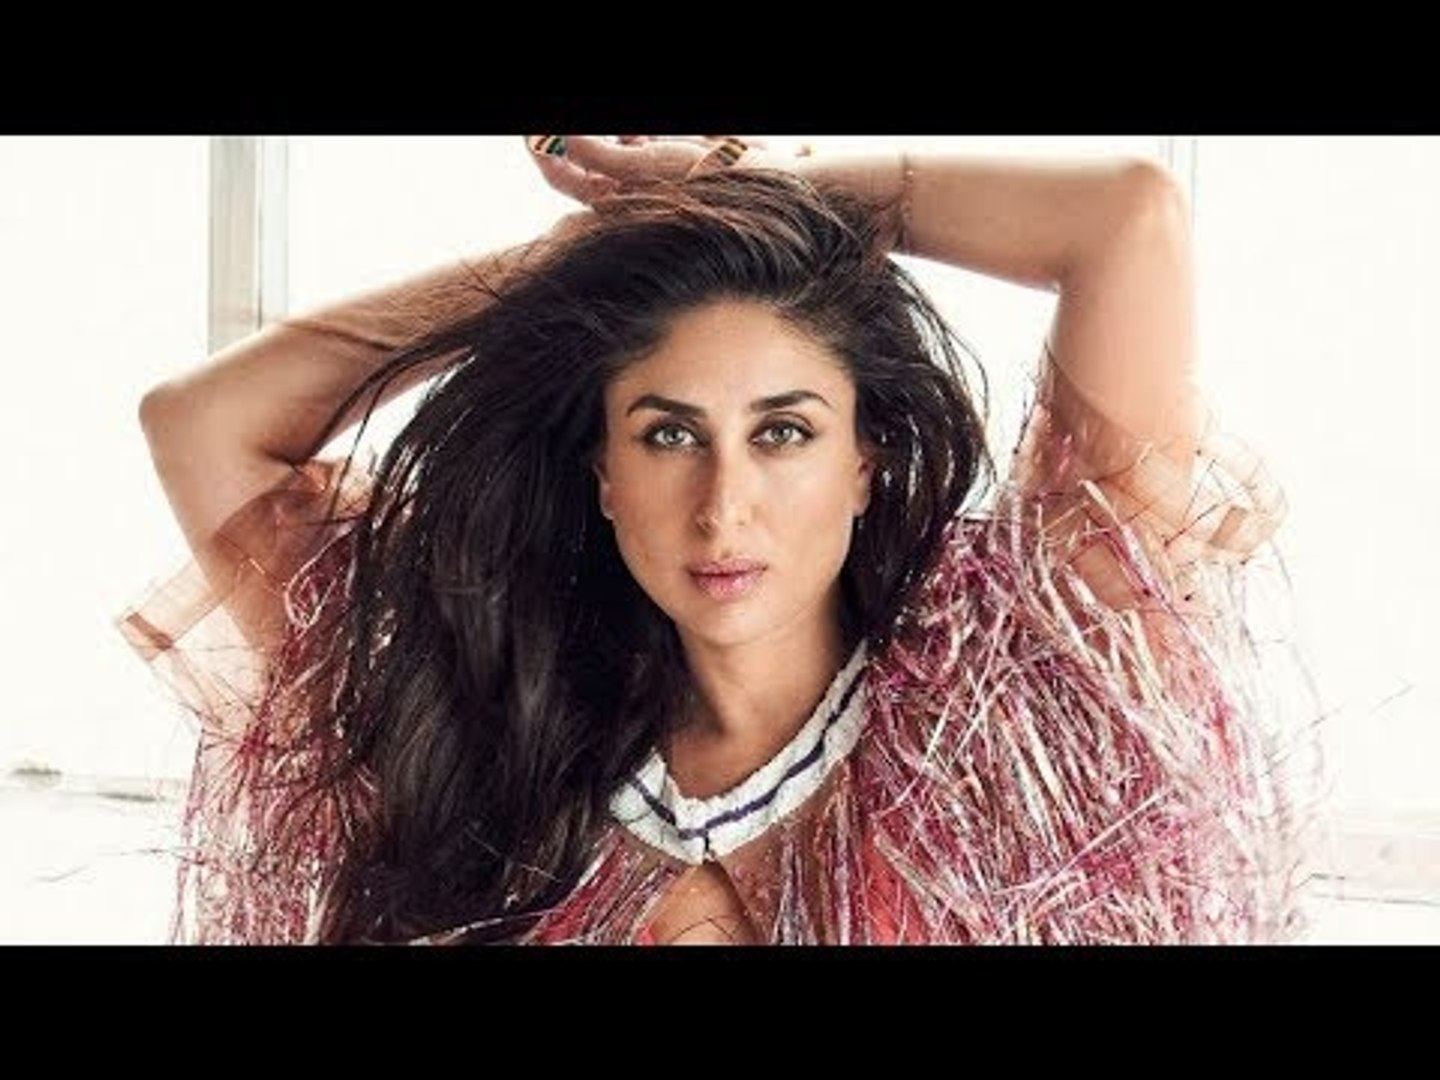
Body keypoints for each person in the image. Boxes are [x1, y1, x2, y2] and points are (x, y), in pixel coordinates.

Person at [118, 135, 1316, 945]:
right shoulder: (487, 708)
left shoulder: (1021, 684)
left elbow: (1124, 218)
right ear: (602, 472)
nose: (723, 504)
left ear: (866, 459)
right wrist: (579, 265)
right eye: (668, 434)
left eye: (783, 432)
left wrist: (747, 187)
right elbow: (206, 424)